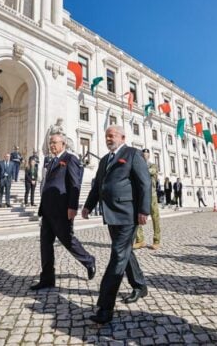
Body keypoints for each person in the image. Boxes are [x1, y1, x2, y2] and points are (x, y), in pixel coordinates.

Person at [82, 126, 151, 324]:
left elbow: (144, 183)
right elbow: (98, 187)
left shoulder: (132, 154)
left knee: (118, 256)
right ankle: (140, 285)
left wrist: (143, 210)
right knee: (125, 252)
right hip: (111, 214)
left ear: (122, 137)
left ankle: (105, 307)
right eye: (106, 136)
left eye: (112, 135)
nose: (108, 138)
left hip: (128, 214)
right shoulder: (104, 160)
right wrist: (88, 206)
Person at [30, 133, 95, 290]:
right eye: (50, 142)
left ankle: (89, 260)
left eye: (55, 142)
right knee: (45, 245)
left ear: (63, 144)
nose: (52, 145)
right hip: (47, 209)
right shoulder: (51, 161)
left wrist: (72, 207)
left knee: (67, 240)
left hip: (61, 209)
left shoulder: (70, 158)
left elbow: (75, 184)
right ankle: (47, 278)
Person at [134, 149, 161, 250]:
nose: (144, 156)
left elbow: (150, 171)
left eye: (146, 154)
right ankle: (140, 240)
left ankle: (156, 240)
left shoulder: (153, 166)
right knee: (136, 217)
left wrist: (137, 168)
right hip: (140, 195)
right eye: (143, 154)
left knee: (155, 218)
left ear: (149, 156)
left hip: (151, 195)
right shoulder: (138, 166)